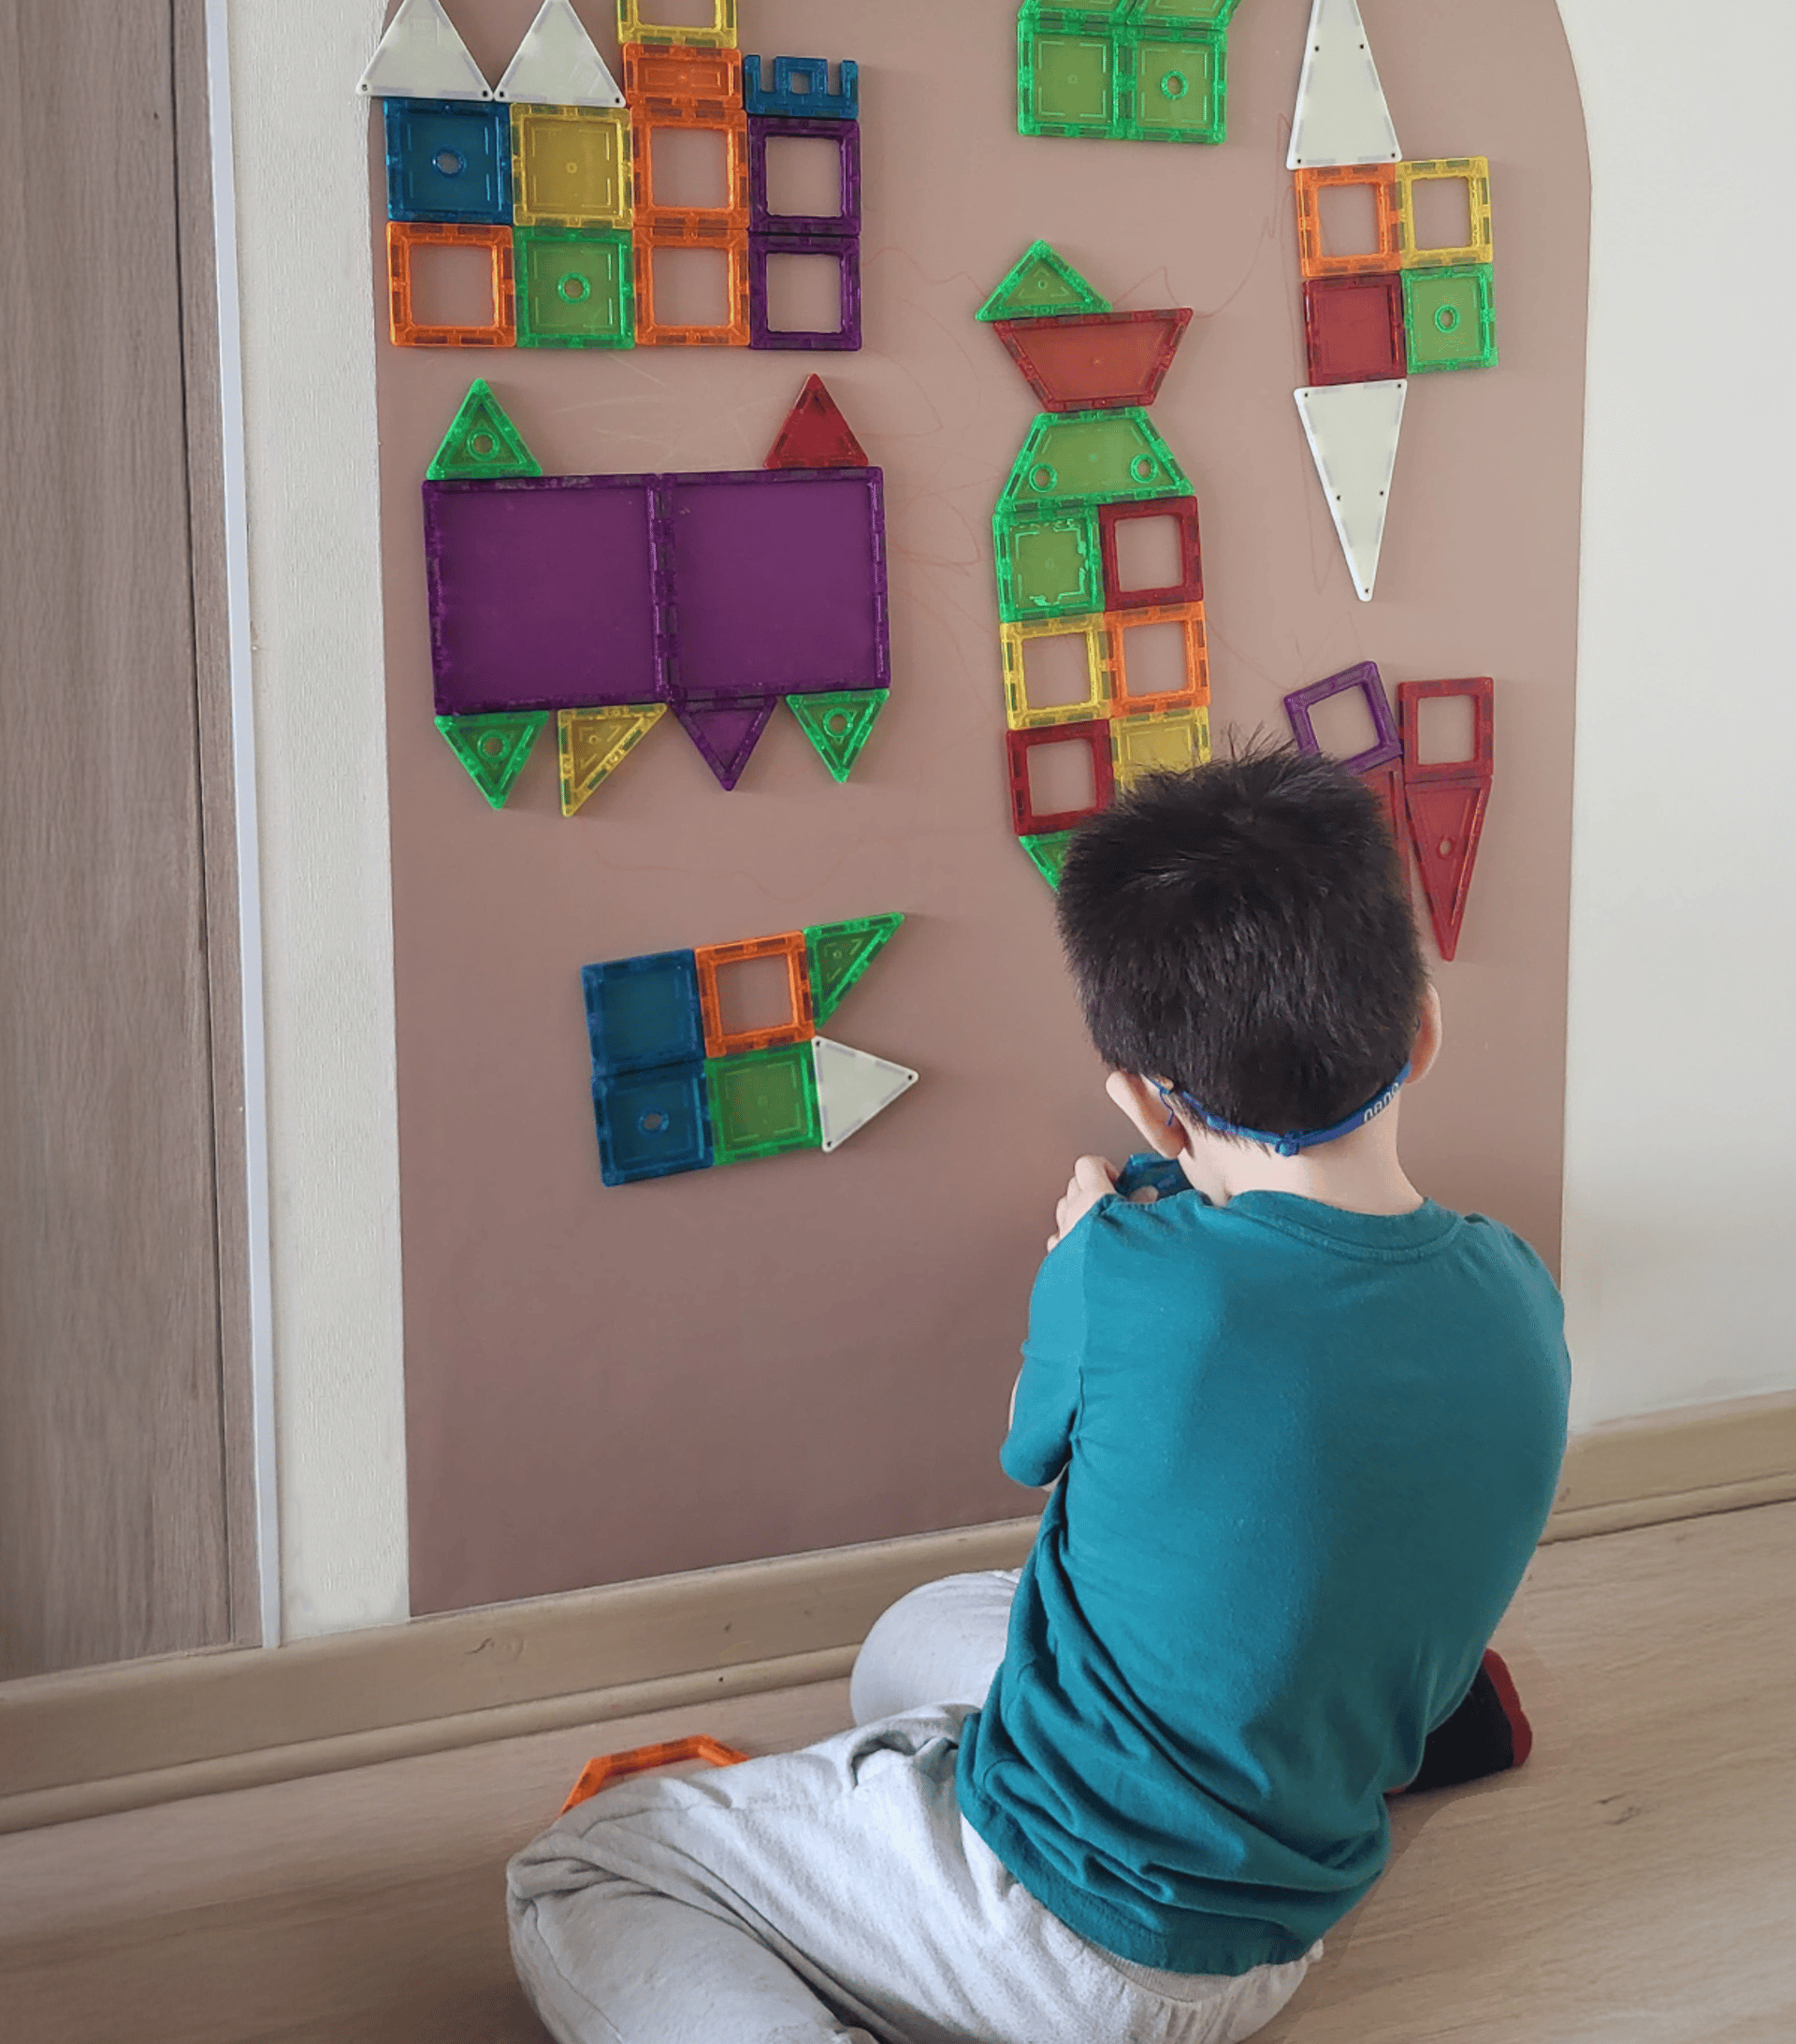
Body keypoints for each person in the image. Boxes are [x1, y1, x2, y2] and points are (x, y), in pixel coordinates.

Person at [508, 748, 1571, 2044]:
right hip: (1281, 1924)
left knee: (588, 1866)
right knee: (914, 1638)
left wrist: (1086, 1259)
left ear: (1148, 1108)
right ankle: (1414, 1722)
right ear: (1423, 1029)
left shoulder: (1126, 1279)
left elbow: (1033, 1449)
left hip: (1054, 1928)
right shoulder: (1518, 1290)